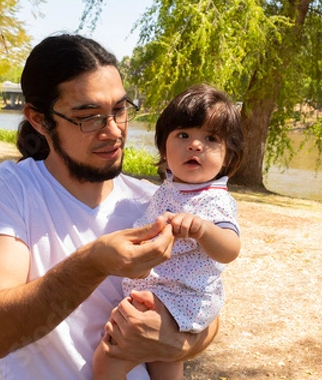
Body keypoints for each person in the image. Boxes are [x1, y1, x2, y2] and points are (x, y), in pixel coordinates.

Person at [0, 34, 218, 380]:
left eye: (119, 110)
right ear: (39, 120)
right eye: (89, 117)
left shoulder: (152, 200)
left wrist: (175, 343)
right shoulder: (6, 192)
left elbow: (207, 309)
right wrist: (93, 263)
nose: (113, 131)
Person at [94, 84, 244, 380]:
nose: (195, 145)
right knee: (163, 361)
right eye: (183, 135)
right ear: (164, 148)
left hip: (181, 297)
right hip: (160, 294)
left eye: (211, 138)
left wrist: (203, 230)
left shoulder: (215, 199)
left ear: (227, 156)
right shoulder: (170, 189)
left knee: (110, 356)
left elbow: (231, 248)